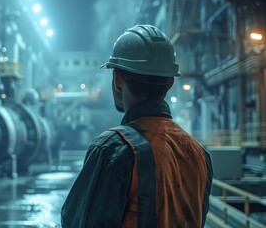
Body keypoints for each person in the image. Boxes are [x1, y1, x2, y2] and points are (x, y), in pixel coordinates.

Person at [61, 25, 213, 228]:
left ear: (117, 80)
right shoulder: (199, 154)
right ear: (169, 82)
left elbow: (78, 222)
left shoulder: (113, 150)